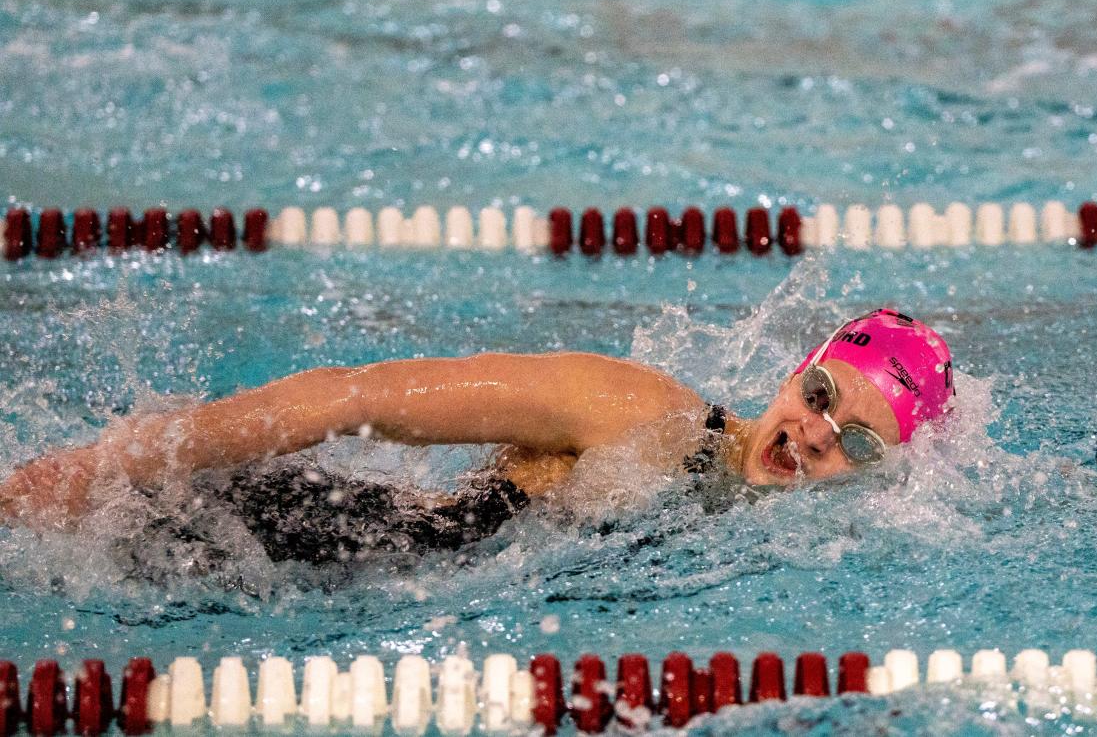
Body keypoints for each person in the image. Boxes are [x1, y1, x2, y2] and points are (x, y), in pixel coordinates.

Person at [0, 309, 954, 567]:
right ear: (798, 365)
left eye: (859, 444)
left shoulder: (781, 540)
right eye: (821, 392)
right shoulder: (638, 412)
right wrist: (92, 471)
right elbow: (349, 395)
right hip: (270, 541)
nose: (814, 435)